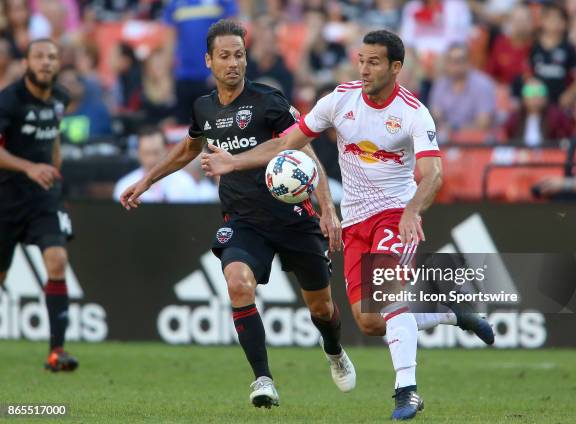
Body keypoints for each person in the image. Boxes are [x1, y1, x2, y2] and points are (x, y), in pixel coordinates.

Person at [201, 29, 495, 420]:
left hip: (395, 215)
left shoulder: (413, 113)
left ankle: (406, 392)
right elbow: (287, 141)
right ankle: (454, 313)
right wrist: (234, 163)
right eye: (361, 60)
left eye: (374, 62)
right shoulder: (341, 100)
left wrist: (411, 212)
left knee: (389, 297)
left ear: (396, 67)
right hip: (356, 221)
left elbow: (434, 173)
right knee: (370, 321)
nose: (365, 68)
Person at [120, 20, 356, 408]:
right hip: (244, 221)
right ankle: (263, 379)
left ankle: (333, 351)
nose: (234, 63)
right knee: (237, 283)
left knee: (322, 308)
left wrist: (328, 209)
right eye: (225, 56)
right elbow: (188, 148)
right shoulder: (204, 107)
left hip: (295, 219)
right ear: (209, 61)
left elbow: (302, 152)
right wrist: (146, 181)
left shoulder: (270, 102)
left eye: (240, 55)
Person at [0, 39, 78, 372]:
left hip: (44, 198)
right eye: (39, 56)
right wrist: (30, 167)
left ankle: (56, 352)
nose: (46, 62)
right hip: (6, 199)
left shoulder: (60, 98)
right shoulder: (9, 101)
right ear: (26, 63)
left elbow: (54, 137)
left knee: (57, 260)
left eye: (52, 57)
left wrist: (54, 174)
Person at [113, 126, 199, 203]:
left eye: (156, 152)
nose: (151, 160)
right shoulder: (125, 185)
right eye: (146, 153)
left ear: (167, 150)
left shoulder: (185, 182)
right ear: (138, 153)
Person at [429, 43, 496, 141]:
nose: (455, 65)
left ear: (468, 62)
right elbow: (435, 115)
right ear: (446, 64)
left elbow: (483, 123)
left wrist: (455, 130)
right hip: (446, 140)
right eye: (451, 61)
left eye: (459, 61)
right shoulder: (440, 84)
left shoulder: (483, 85)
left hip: (476, 141)